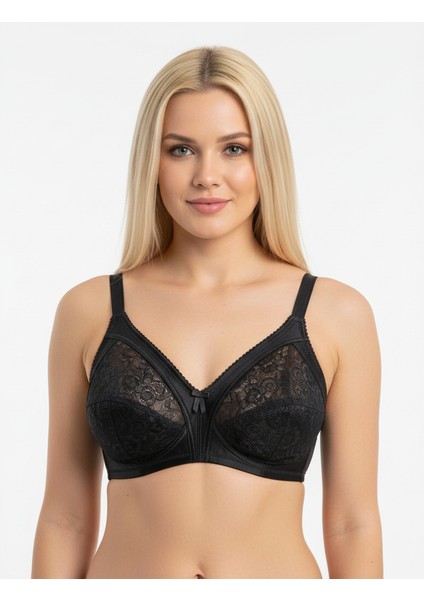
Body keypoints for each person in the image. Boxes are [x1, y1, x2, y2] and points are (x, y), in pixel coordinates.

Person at [31, 46, 383, 579]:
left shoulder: (335, 315)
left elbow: (352, 524)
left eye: (234, 148)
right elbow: (65, 518)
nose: (207, 175)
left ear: (267, 159)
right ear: (151, 163)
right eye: (181, 150)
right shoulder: (89, 311)